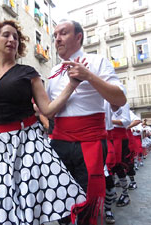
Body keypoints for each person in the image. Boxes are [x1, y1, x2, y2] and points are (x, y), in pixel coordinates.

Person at [0, 20, 86, 225]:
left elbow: (47, 109)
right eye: (6, 35)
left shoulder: (28, 73)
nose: (12, 39)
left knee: (27, 197)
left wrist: (72, 85)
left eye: (16, 37)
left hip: (26, 143)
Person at [47, 20, 126, 224]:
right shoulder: (53, 72)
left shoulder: (98, 61)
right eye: (55, 35)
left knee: (86, 199)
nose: (57, 39)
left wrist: (88, 76)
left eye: (63, 33)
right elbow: (45, 109)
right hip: (59, 143)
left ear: (78, 36)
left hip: (90, 142)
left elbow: (119, 99)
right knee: (59, 197)